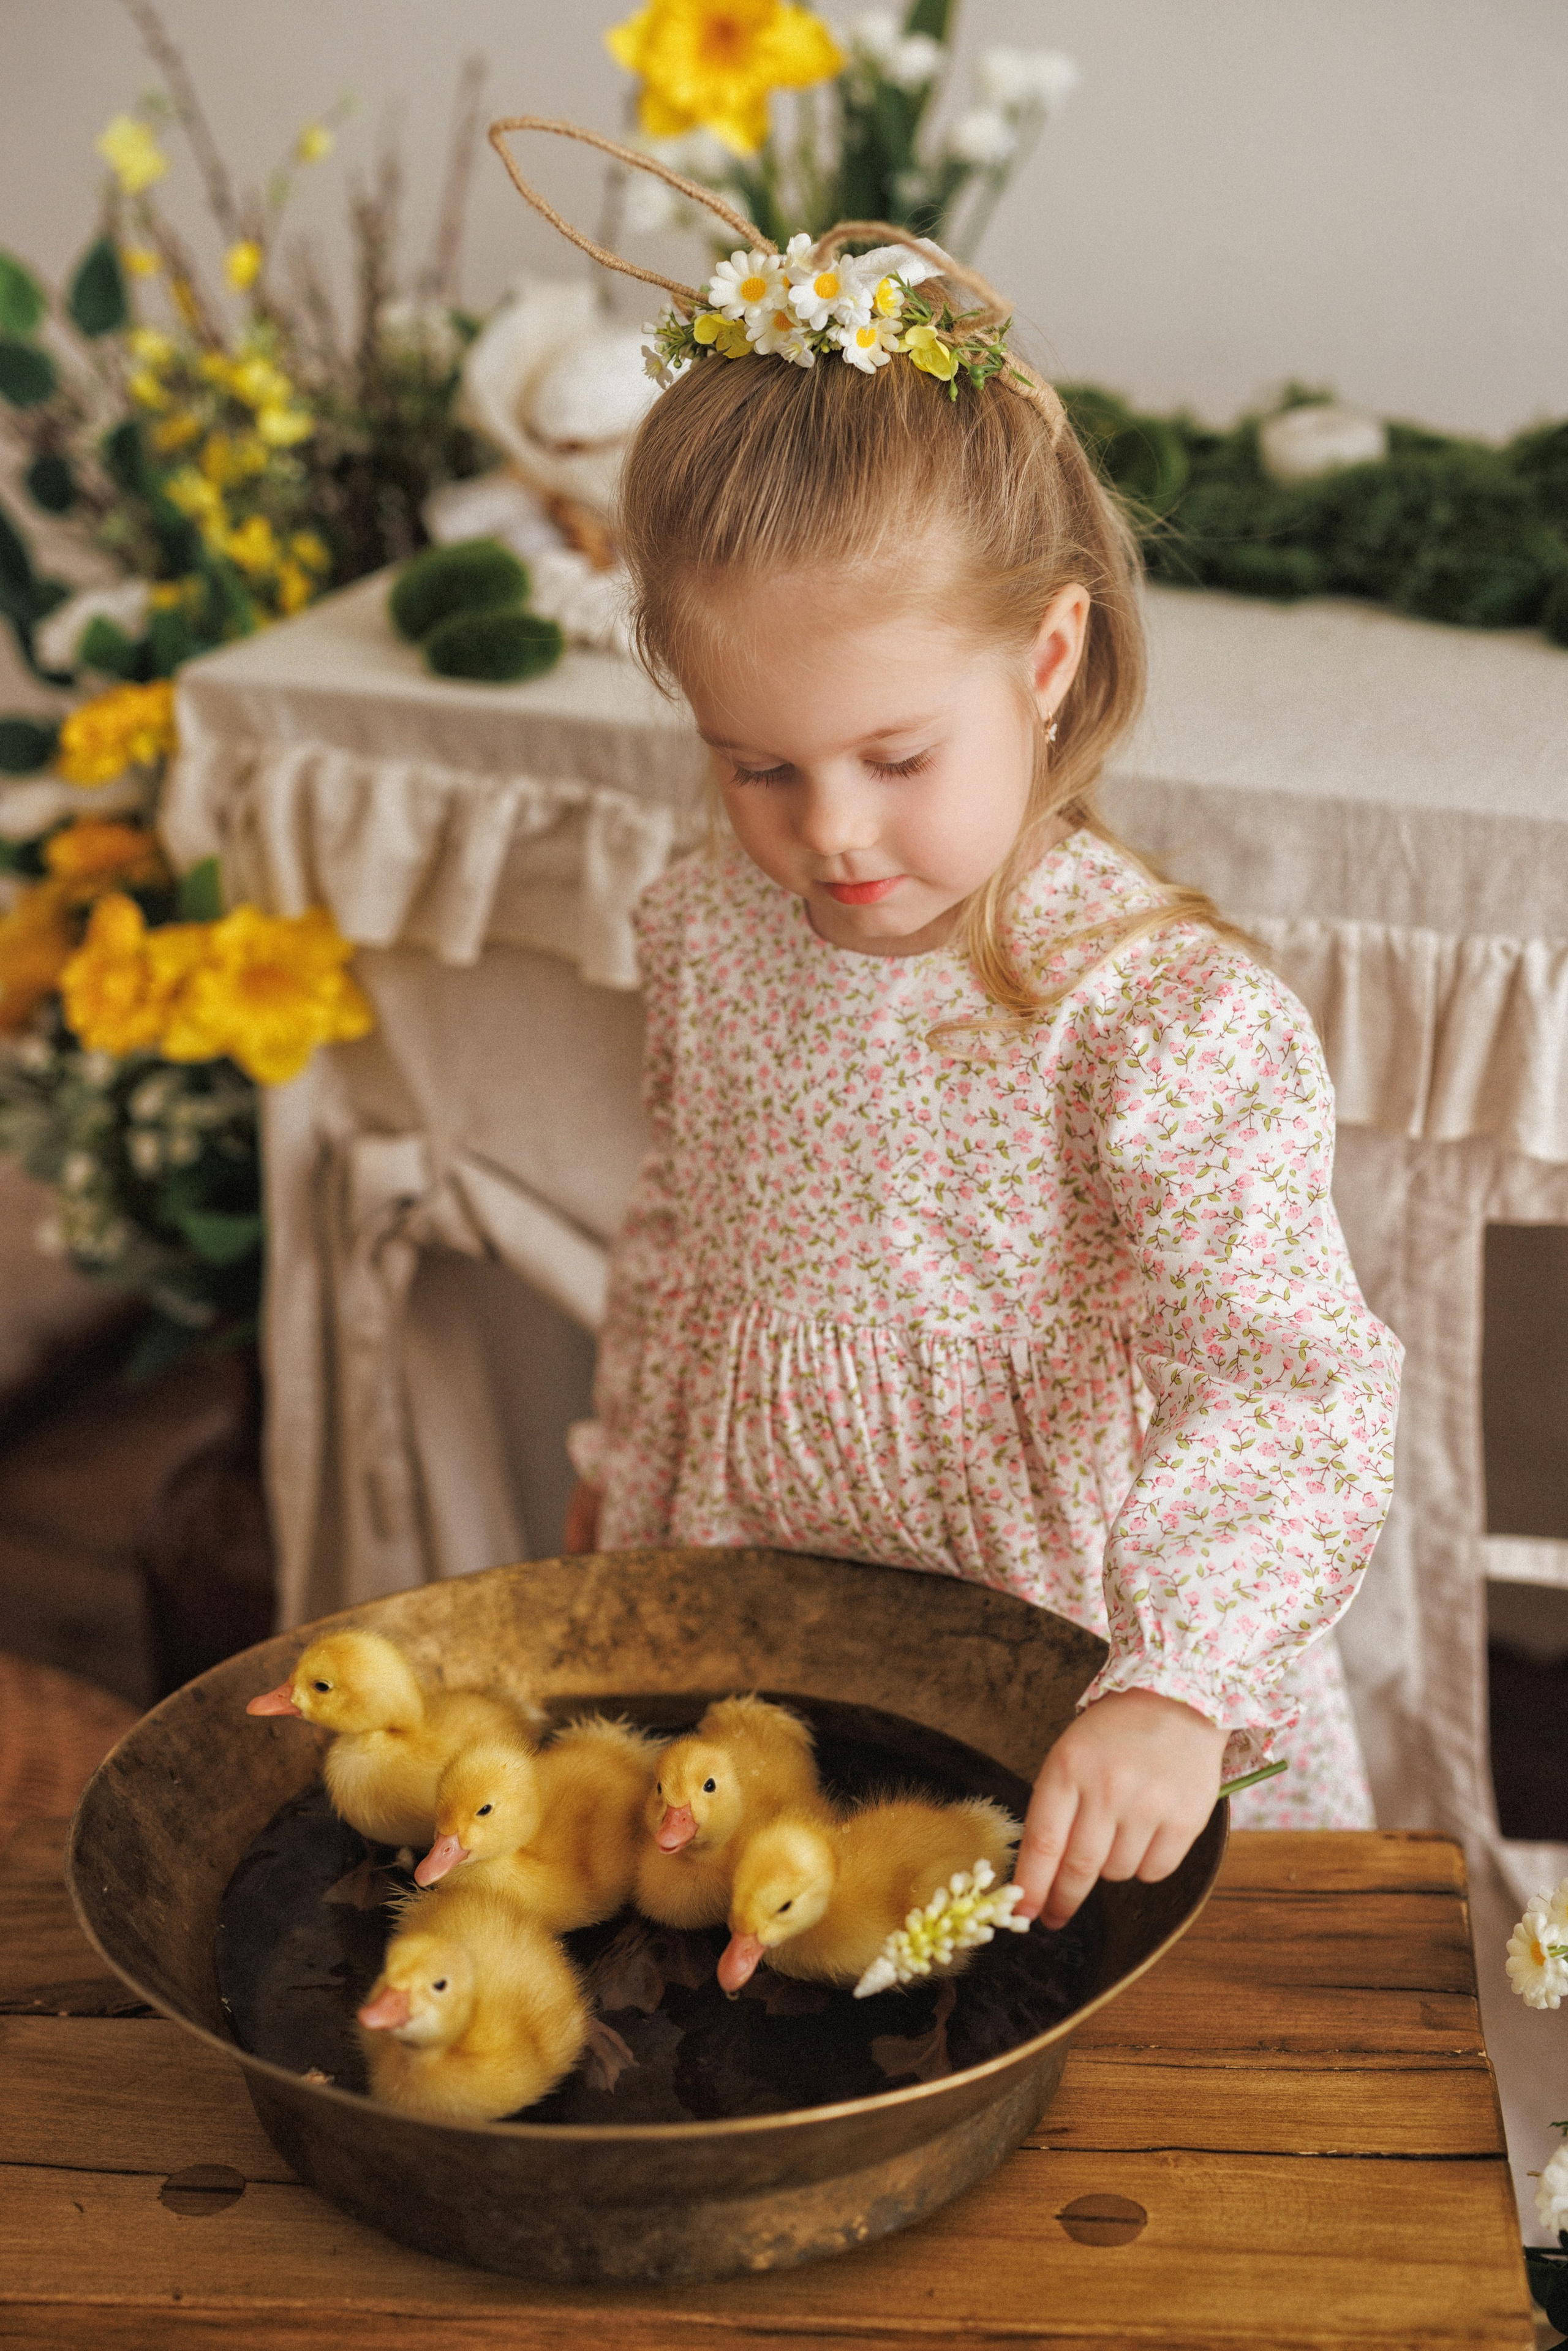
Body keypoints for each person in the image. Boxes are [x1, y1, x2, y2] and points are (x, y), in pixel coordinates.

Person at [557, 221, 1401, 1931]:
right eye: (759, 766)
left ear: (1046, 658)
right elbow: (676, 1234)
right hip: (772, 1655)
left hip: (1074, 1698)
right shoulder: (714, 932)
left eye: (896, 755)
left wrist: (1174, 1687)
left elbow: (1287, 1386)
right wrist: (617, 1463)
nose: (833, 831)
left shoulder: (1153, 1016)